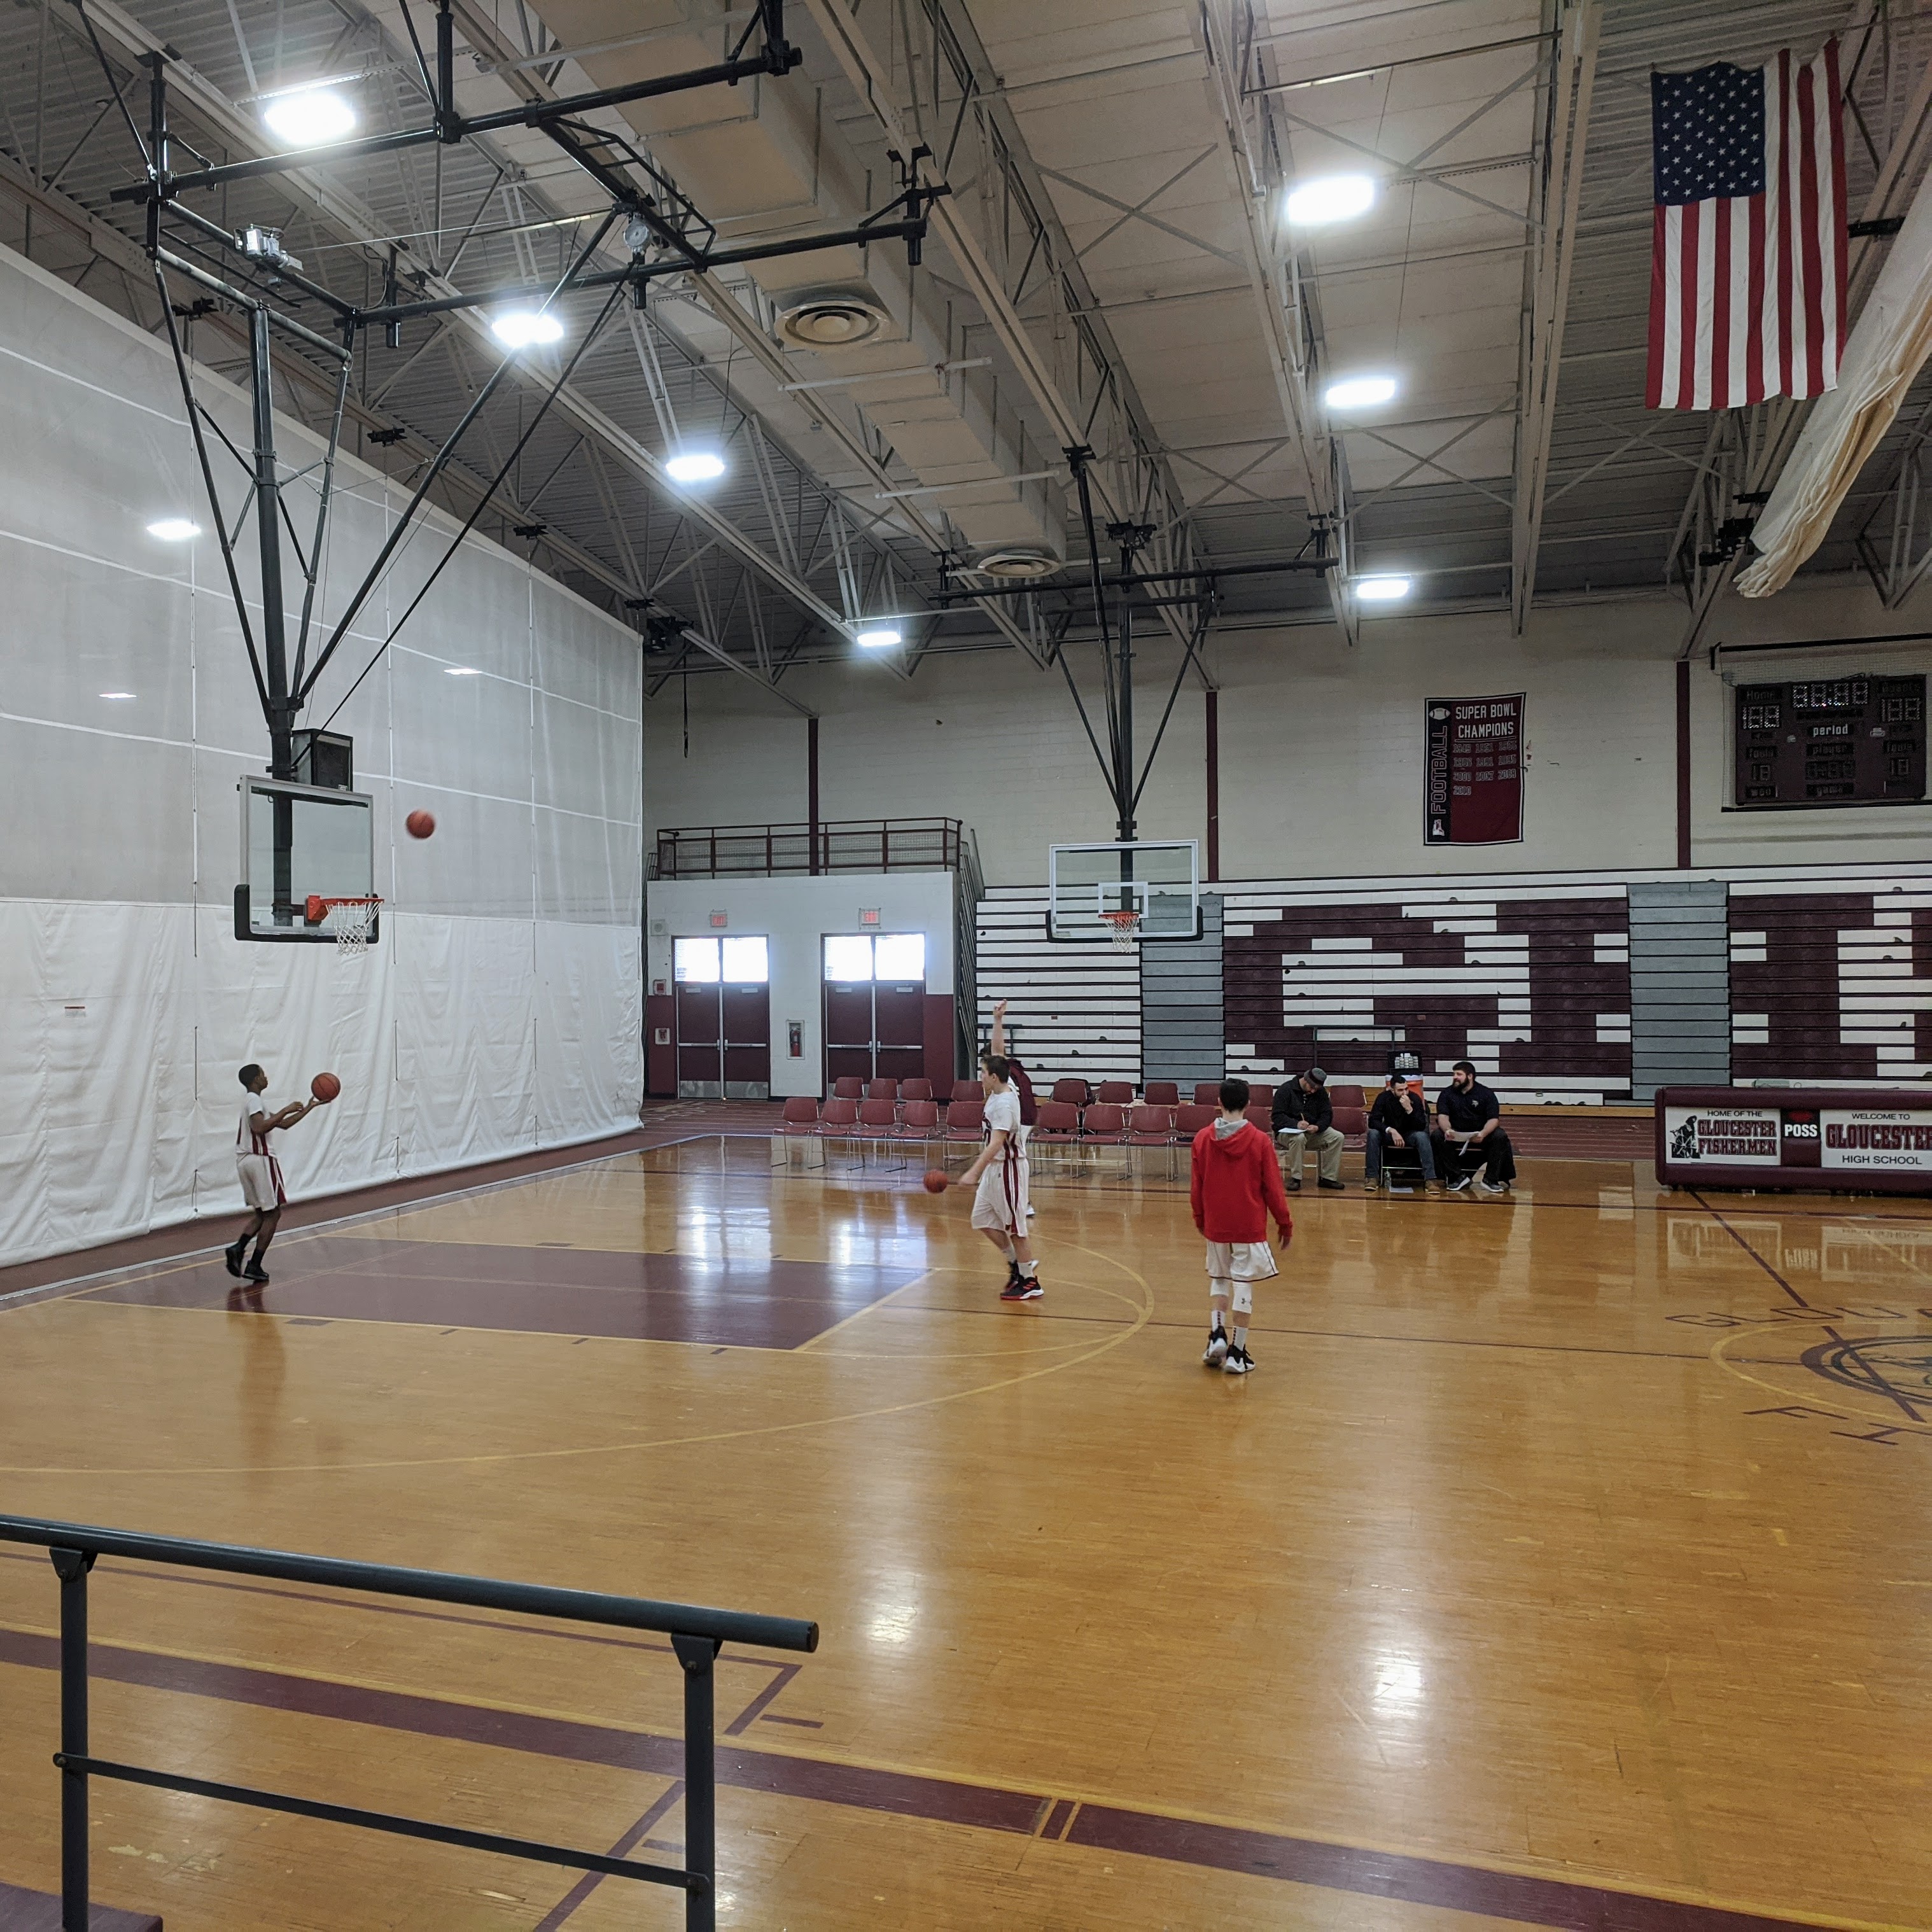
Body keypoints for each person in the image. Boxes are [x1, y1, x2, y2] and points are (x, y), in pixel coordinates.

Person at [1189, 1079, 1293, 1376]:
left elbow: (1197, 1188)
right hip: (1248, 1224)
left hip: (1217, 1223)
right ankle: (1237, 1352)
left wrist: (1201, 1218)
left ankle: (1217, 1335)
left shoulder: (1202, 1139)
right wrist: (1284, 1223)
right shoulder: (1260, 1141)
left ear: (1219, 1102)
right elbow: (1273, 1189)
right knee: (1243, 1284)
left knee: (1219, 1279)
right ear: (1249, 1104)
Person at [226, 1063, 329, 1285]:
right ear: (255, 1080)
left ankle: (238, 1248)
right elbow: (259, 1128)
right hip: (260, 1160)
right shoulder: (254, 1100)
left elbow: (282, 1125)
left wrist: (311, 1107)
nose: (266, 1077)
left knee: (263, 1215)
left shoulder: (253, 1102)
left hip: (245, 1161)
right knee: (274, 1214)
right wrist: (287, 1108)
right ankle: (254, 1264)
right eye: (263, 1074)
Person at [958, 1051, 1040, 1301]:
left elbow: (996, 1144)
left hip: (1008, 1167)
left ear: (994, 1077)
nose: (980, 1077)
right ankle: (1017, 1264)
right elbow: (998, 1052)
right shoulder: (1000, 1090)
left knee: (1016, 1228)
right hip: (995, 1169)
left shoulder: (1005, 1102)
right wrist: (997, 1020)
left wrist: (973, 1172)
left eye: (983, 1073)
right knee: (982, 1219)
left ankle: (1030, 1281)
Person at [1432, 1060, 1516, 1196]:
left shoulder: (1486, 1094)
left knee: (1500, 1136)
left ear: (1470, 1076)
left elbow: (1494, 1120)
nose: (1455, 1077)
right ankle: (1458, 1177)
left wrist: (1483, 1134)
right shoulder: (1446, 1094)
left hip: (1480, 1134)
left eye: (1459, 1074)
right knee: (1437, 1136)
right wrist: (1448, 1130)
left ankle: (1490, 1179)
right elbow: (1443, 1117)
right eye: (1454, 1074)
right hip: (1456, 1133)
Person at [988, 1000, 1037, 1215]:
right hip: (1024, 1118)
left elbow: (997, 1051)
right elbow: (999, 1051)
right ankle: (1008, 1200)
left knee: (1012, 1161)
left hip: (1020, 1121)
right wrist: (998, 1020)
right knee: (1009, 1161)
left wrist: (998, 1021)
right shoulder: (1013, 1071)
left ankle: (1022, 1203)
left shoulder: (1006, 1076)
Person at [1271, 1065, 1345, 1191]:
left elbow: (1327, 1114)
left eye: (1317, 1089)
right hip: (1286, 1133)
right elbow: (1277, 1116)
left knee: (1337, 1137)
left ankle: (1328, 1178)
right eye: (1312, 1088)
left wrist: (1318, 1127)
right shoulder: (1286, 1090)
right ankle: (1296, 1178)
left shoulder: (1320, 1093)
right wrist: (1296, 1124)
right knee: (1298, 1138)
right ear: (1305, 1080)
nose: (1313, 1092)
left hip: (1312, 1132)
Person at [1365, 1075, 1438, 1190]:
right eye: (1400, 1090)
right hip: (1390, 1134)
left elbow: (1421, 1125)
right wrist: (1391, 1130)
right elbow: (1373, 1121)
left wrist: (1410, 1109)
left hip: (1410, 1134)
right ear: (1392, 1090)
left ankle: (1430, 1179)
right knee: (1373, 1134)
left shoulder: (1415, 1098)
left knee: (1422, 1136)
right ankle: (1372, 1177)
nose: (1405, 1093)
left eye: (1406, 1089)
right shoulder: (1383, 1098)